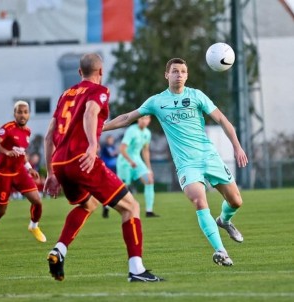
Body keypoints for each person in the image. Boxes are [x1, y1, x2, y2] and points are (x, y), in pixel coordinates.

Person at [103, 58, 248, 266]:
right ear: (167, 75)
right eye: (175, 71)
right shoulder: (157, 101)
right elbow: (127, 117)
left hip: (209, 156)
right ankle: (221, 250)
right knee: (199, 200)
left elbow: (223, 120)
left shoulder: (196, 96)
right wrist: (101, 128)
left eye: (182, 71)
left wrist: (237, 146)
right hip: (186, 164)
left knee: (236, 201)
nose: (179, 74)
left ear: (187, 76)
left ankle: (224, 220)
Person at [43, 53, 163, 282]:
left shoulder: (65, 95)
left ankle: (59, 250)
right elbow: (90, 112)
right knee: (131, 207)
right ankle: (136, 269)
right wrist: (91, 145)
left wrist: (50, 172)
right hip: (82, 160)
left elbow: (49, 135)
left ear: (79, 72)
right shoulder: (99, 91)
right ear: (101, 72)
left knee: (88, 204)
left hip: (60, 163)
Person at [0, 101, 46, 248]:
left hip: (19, 171)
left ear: (28, 114)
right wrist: (6, 151)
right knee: (1, 210)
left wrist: (29, 167)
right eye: (19, 112)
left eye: (25, 112)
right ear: (14, 114)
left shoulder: (27, 131)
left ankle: (34, 226)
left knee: (37, 201)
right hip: (3, 173)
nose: (22, 115)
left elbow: (22, 153)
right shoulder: (7, 128)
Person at [116, 115, 158, 218]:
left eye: (147, 118)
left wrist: (149, 168)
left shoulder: (147, 133)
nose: (144, 120)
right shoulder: (131, 130)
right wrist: (130, 161)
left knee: (149, 180)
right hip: (125, 162)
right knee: (123, 188)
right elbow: (122, 149)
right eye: (142, 118)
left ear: (149, 120)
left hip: (137, 161)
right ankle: (107, 207)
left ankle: (149, 211)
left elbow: (145, 151)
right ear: (138, 119)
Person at [99, 135, 118, 218]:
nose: (111, 141)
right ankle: (106, 206)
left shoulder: (113, 147)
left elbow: (115, 155)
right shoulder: (105, 147)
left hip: (114, 169)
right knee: (107, 187)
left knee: (112, 188)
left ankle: (107, 206)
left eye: (112, 139)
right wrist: (116, 152)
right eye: (110, 139)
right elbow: (111, 155)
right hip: (107, 169)